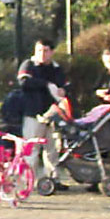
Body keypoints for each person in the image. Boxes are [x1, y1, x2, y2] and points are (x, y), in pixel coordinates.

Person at [17, 37, 67, 190]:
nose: (42, 54)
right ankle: (28, 181)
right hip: (33, 114)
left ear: (52, 52)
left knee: (52, 150)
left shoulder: (56, 68)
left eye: (46, 51)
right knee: (31, 149)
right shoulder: (28, 65)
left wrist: (63, 90)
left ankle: (52, 181)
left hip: (53, 115)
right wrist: (45, 84)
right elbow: (24, 82)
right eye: (39, 50)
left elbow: (64, 85)